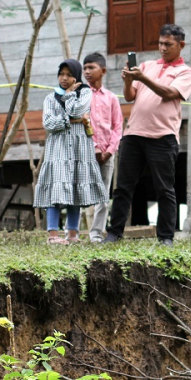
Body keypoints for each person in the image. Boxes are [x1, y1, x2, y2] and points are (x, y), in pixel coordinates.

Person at [103, 24, 191, 246]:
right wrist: (128, 80)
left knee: (164, 189)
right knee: (123, 187)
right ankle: (114, 233)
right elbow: (129, 96)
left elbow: (169, 93)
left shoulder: (185, 72)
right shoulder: (147, 66)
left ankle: (166, 237)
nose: (163, 48)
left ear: (180, 45)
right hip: (134, 134)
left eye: (168, 44)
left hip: (163, 137)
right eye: (161, 43)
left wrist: (142, 78)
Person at [33, 59, 108, 244]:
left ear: (76, 76)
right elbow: (49, 123)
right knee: (56, 187)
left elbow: (77, 110)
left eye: (69, 75)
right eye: (61, 74)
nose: (64, 78)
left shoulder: (85, 93)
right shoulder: (50, 98)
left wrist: (69, 96)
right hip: (57, 147)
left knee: (76, 188)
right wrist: (71, 121)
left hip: (79, 147)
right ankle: (53, 235)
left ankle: (72, 235)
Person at [83, 52, 123, 243]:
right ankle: (71, 232)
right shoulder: (81, 95)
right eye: (85, 68)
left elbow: (118, 126)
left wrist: (109, 150)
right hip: (86, 152)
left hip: (108, 154)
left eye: (91, 68)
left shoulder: (112, 98)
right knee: (80, 190)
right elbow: (80, 123)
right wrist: (94, 147)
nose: (87, 72)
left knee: (103, 194)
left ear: (103, 71)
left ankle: (96, 233)